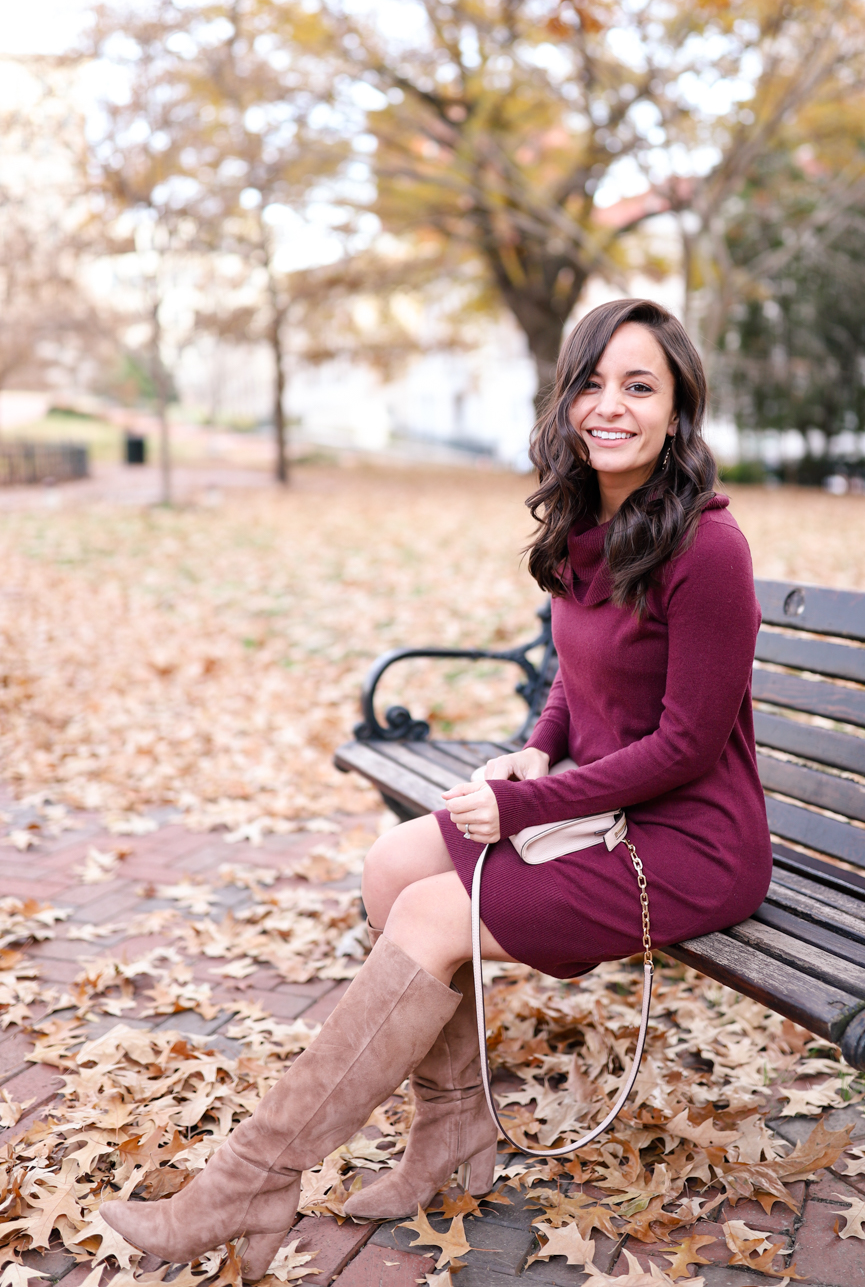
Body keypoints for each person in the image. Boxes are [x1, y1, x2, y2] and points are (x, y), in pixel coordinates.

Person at [100, 298, 772, 1279]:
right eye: (591, 383)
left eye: (640, 386)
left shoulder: (707, 549)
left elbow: (685, 744)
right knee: (389, 868)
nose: (610, 406)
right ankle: (451, 1135)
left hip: (690, 844)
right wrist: (534, 752)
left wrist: (525, 805)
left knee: (427, 916)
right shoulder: (588, 523)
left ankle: (247, 1180)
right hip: (603, 809)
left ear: (679, 410)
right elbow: (575, 684)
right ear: (566, 398)